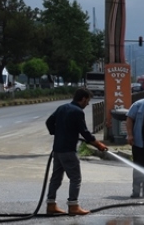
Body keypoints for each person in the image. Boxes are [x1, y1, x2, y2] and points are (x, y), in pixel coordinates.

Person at [44, 88, 108, 216]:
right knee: (75, 178)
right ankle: (73, 205)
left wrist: (57, 132)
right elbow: (85, 132)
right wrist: (97, 144)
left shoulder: (62, 108)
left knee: (56, 178)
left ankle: (51, 204)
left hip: (57, 150)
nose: (88, 104)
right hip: (68, 150)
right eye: (88, 101)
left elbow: (49, 122)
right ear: (83, 98)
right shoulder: (78, 112)